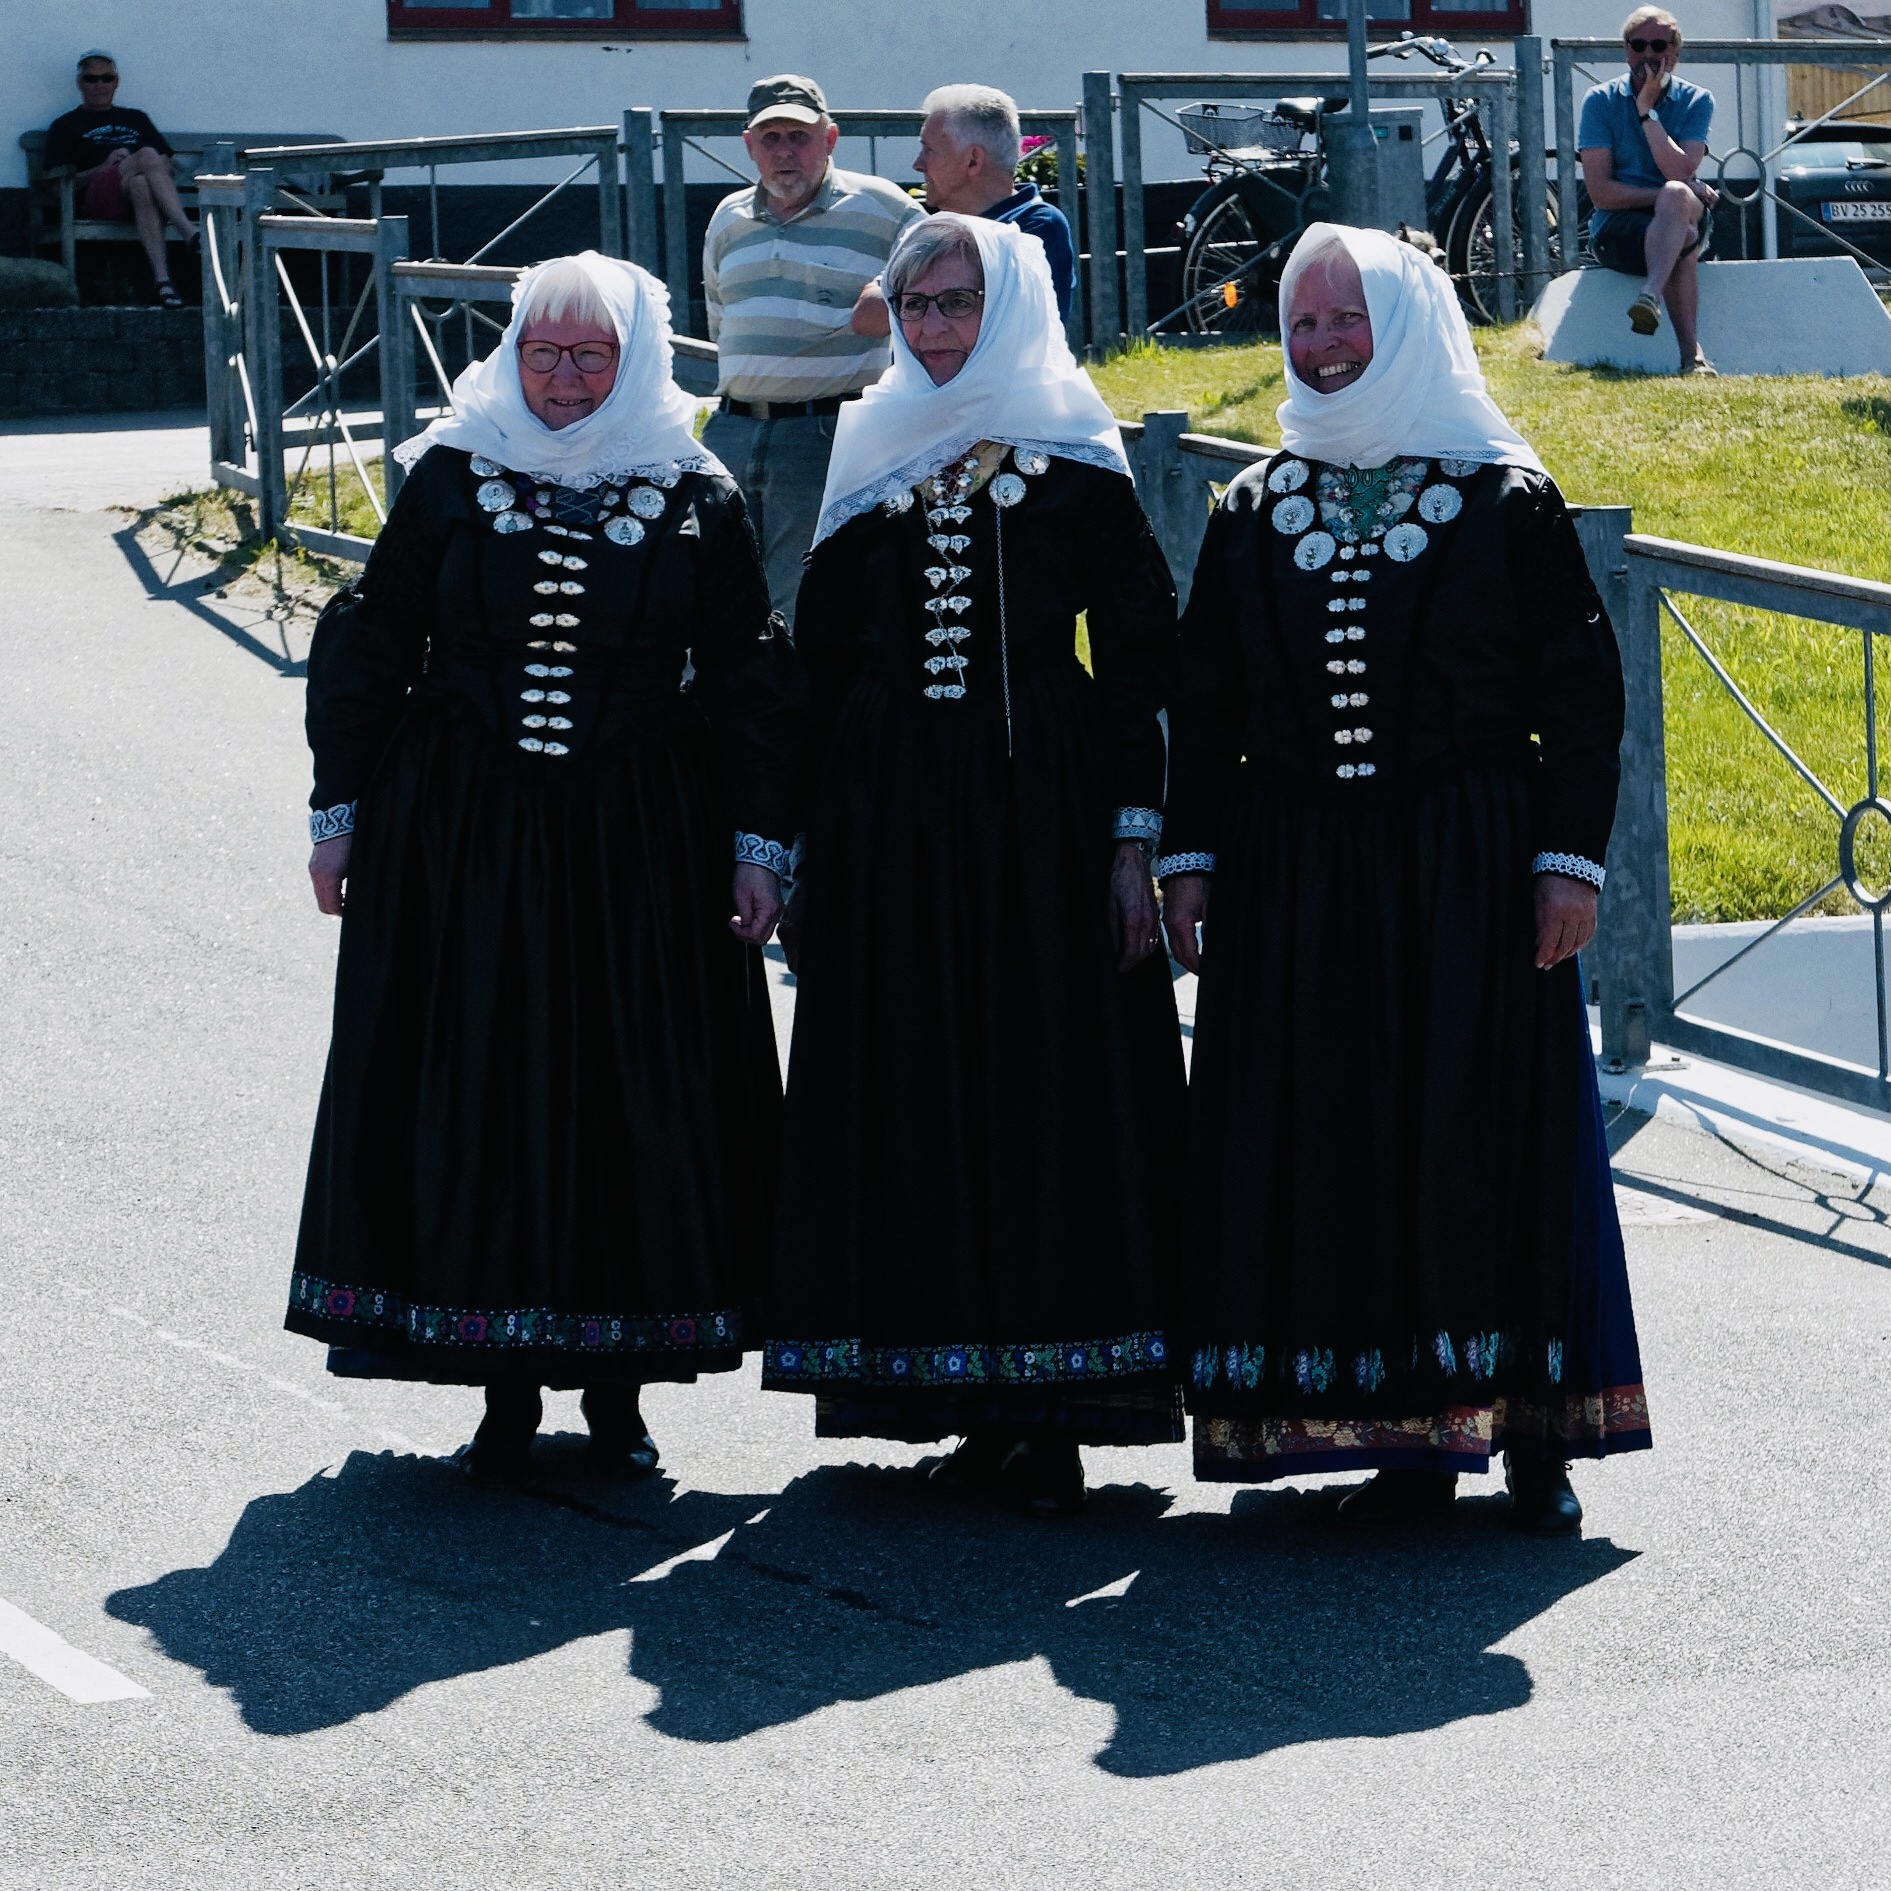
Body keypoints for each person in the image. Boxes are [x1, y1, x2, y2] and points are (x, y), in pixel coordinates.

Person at [1160, 223, 1650, 1535]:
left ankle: (1530, 1432)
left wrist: (1564, 862)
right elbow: (1202, 699)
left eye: (1344, 320)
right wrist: (1191, 853)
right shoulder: (1253, 504)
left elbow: (1578, 694)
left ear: (1406, 322)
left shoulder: (1504, 499)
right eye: (1300, 324)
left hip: (1467, 870)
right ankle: (1396, 1435)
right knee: (1333, 1133)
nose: (1319, 349)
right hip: (1298, 871)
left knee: (1478, 1131)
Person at [287, 252, 805, 1485]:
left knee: (629, 1092)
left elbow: (747, 681)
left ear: (636, 360)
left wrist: (757, 845)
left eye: (593, 355)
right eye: (543, 351)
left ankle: (620, 1393)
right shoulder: (452, 475)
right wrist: (339, 812)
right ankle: (504, 1388)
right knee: (485, 1081)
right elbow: (375, 645)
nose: (564, 378)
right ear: (513, 353)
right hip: (461, 834)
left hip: (641, 840)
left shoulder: (694, 494)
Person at [761, 215, 1187, 1518]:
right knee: (914, 1076)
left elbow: (1138, 652)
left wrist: (1131, 833)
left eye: (956, 303)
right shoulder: (870, 443)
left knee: (1041, 1083)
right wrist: (787, 837)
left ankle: (1051, 1406)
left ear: (1004, 308)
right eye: (916, 305)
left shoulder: (1070, 451)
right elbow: (814, 657)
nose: (936, 327)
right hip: (890, 817)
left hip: (1038, 816)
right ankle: (945, 1389)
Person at [702, 74, 924, 624]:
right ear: (749, 145)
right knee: (716, 588)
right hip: (730, 429)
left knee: (797, 601)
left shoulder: (883, 209)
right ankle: (728, 710)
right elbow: (719, 321)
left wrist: (889, 301)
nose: (784, 151)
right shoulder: (727, 219)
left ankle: (798, 710)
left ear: (829, 139)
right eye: (770, 138)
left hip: (821, 435)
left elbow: (941, 291)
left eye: (798, 137)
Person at [852, 85, 1076, 335]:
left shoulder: (1035, 227)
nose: (918, 164)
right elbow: (866, 317)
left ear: (973, 160)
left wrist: (911, 288)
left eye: (929, 150)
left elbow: (985, 329)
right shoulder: (932, 230)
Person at [1579, 8, 1719, 375]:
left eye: (1658, 45)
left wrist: (1646, 111)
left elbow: (1680, 170)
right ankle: (1693, 359)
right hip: (1619, 229)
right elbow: (1601, 195)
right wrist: (1665, 196)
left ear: (1674, 54)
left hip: (1678, 207)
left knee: (1676, 197)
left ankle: (1650, 296)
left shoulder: (1697, 100)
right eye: (1638, 45)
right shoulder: (1599, 101)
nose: (1648, 54)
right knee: (1679, 228)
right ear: (1626, 51)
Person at [42, 51, 197, 307]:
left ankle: (163, 281)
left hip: (136, 196)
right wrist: (105, 167)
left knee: (141, 183)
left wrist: (132, 166)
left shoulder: (136, 118)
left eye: (107, 78)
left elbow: (166, 167)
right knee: (146, 153)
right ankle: (186, 229)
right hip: (96, 199)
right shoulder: (66, 126)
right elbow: (56, 189)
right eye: (92, 79)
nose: (100, 85)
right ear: (80, 84)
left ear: (117, 81)